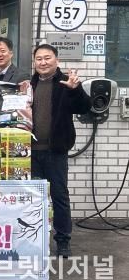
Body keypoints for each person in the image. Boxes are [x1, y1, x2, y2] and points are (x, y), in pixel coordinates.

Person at [30, 44, 91, 258]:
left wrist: (76, 89)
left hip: (55, 151)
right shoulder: (29, 84)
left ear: (56, 60)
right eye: (39, 58)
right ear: (34, 62)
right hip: (30, 151)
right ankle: (34, 240)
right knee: (33, 197)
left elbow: (84, 107)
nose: (43, 62)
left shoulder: (66, 82)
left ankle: (63, 239)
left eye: (47, 58)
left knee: (59, 196)